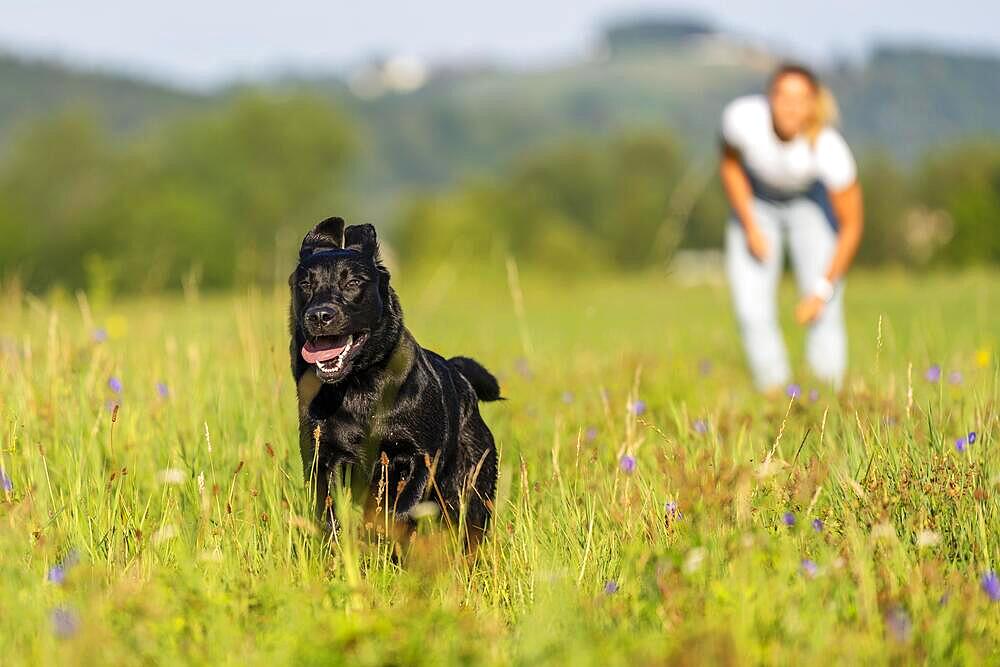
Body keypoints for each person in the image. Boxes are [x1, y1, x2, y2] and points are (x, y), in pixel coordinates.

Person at [719, 63, 863, 393]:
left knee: (823, 307)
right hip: (756, 202)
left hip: (810, 205)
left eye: (801, 99)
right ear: (769, 98)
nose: (790, 107)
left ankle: (826, 395)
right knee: (751, 307)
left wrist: (822, 290)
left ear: (814, 104)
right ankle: (775, 394)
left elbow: (852, 226)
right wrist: (750, 225)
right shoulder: (742, 119)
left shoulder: (829, 148)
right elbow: (729, 164)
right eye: (783, 96)